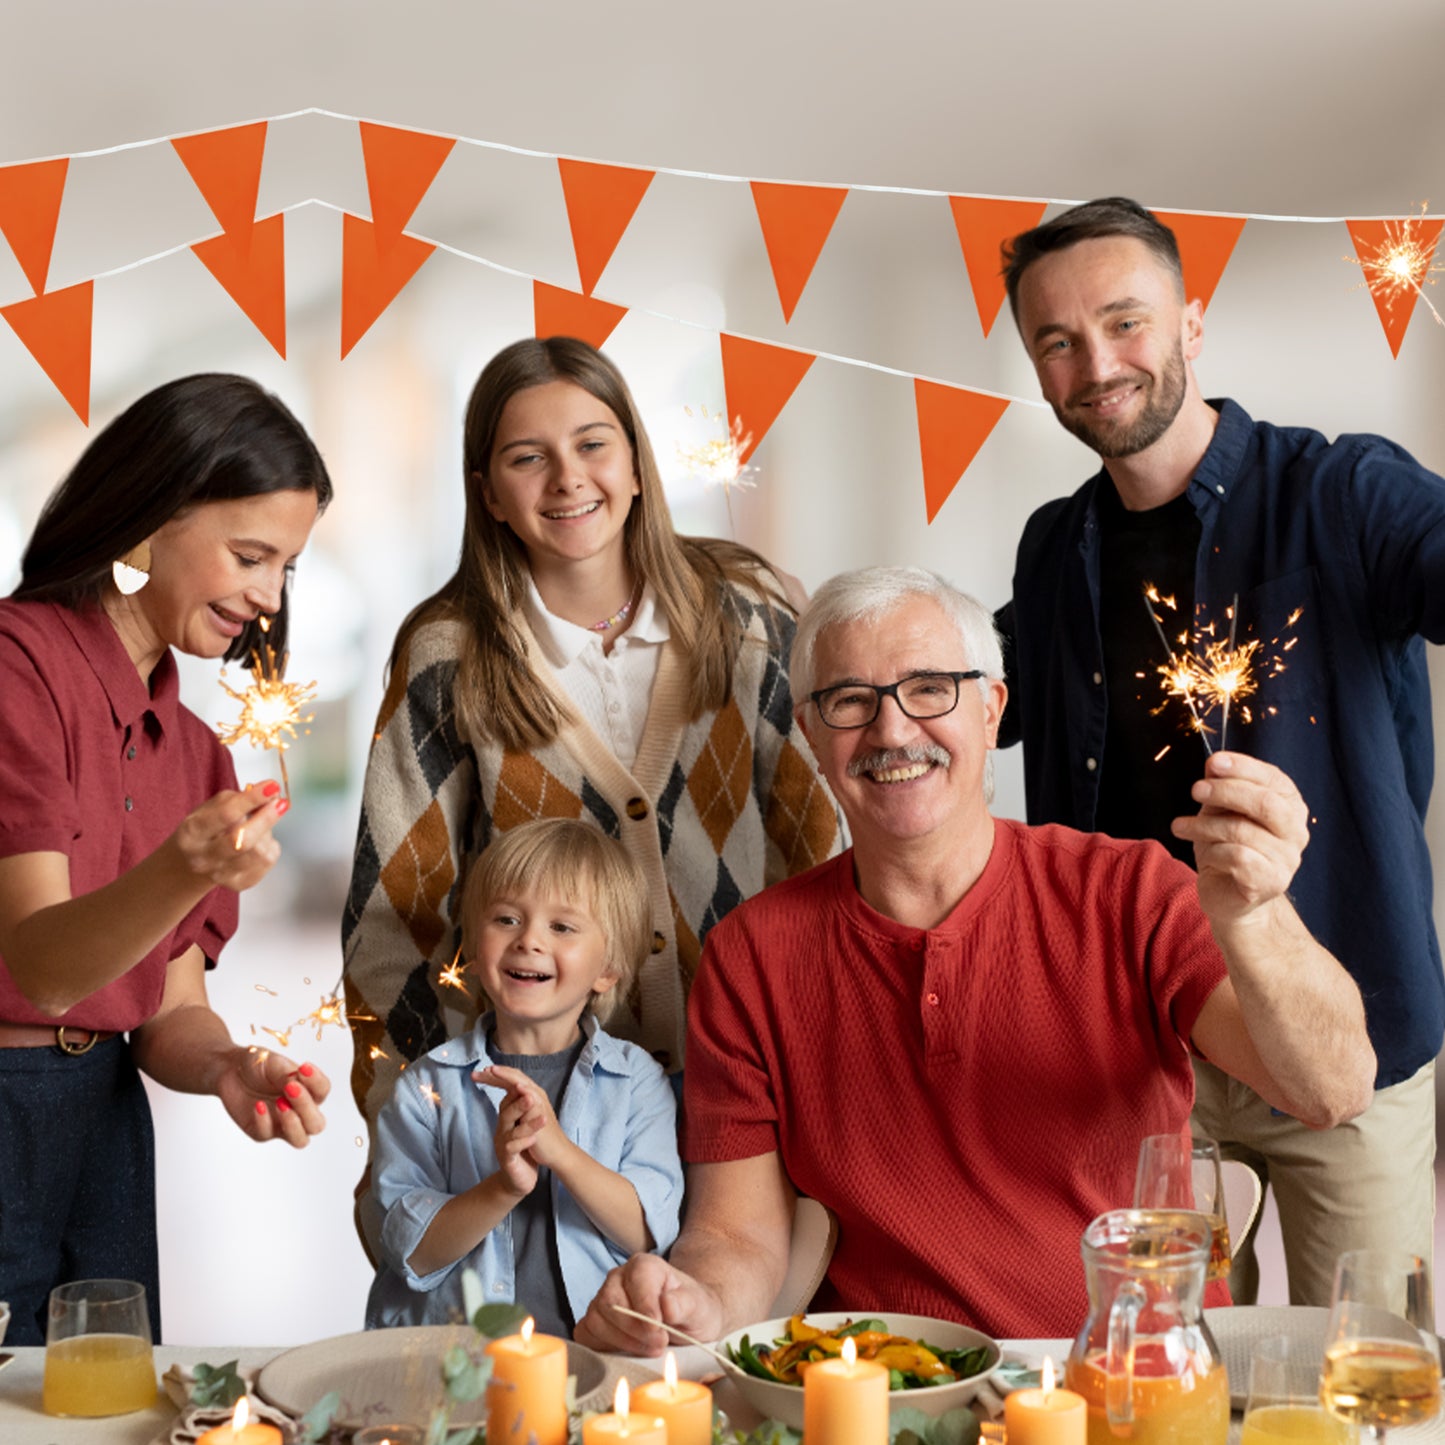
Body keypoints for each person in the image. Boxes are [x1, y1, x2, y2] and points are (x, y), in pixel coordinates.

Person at [575, 566, 1374, 1347]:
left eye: (930, 688)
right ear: (814, 737)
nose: (891, 731)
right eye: (850, 701)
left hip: (1129, 1377)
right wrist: (696, 1303)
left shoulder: (1128, 892)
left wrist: (1258, 915)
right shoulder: (750, 955)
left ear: (991, 709)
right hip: (893, 1387)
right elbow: (737, 1232)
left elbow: (1332, 1088)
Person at [994, 196, 1445, 1307]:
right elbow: (971, 699)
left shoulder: (1340, 489)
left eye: (1122, 322)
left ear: (1190, 323)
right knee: (1153, 1377)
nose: (1094, 363)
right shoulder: (1055, 547)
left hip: (1348, 1025)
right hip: (1141, 1050)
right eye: (1055, 342)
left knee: (1373, 1376)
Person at [343, 337, 840, 1250]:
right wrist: (410, 1134)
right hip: (549, 1114)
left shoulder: (750, 610)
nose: (567, 478)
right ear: (488, 491)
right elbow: (393, 920)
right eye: (527, 457)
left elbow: (816, 843)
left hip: (748, 1089)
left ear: (639, 462)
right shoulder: (447, 656)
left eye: (592, 444)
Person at [0, 374, 334, 1345]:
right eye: (249, 554)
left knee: (100, 1399)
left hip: (103, 1114)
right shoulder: (19, 666)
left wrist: (229, 1062)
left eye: (287, 567)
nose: (268, 597)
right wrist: (183, 868)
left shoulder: (195, 749)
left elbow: (167, 1013)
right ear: (148, 520)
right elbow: (43, 966)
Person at [366, 818, 682, 1332]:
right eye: (507, 919)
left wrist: (559, 1151)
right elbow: (410, 1251)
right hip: (456, 1370)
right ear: (474, 943)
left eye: (562, 927)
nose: (528, 940)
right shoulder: (427, 1089)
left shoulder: (638, 1082)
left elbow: (648, 1232)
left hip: (597, 1356)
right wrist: (504, 1188)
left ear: (607, 970)